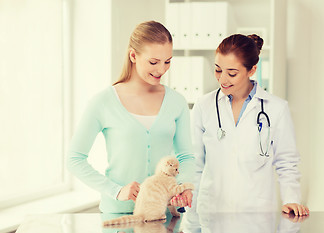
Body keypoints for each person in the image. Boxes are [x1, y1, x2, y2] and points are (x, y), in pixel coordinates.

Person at [67, 21, 194, 213]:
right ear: (133, 55)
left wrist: (184, 187)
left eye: (167, 61)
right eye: (153, 62)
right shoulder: (103, 102)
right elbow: (74, 158)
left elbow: (185, 156)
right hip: (117, 215)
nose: (161, 70)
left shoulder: (177, 102)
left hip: (161, 214)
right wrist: (116, 191)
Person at [189, 34, 309, 216]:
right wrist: (189, 211)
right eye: (217, 70)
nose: (222, 79)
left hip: (257, 213)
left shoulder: (276, 108)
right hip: (212, 212)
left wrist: (291, 199)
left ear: (252, 70)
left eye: (232, 73)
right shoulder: (204, 105)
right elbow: (195, 163)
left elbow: (287, 162)